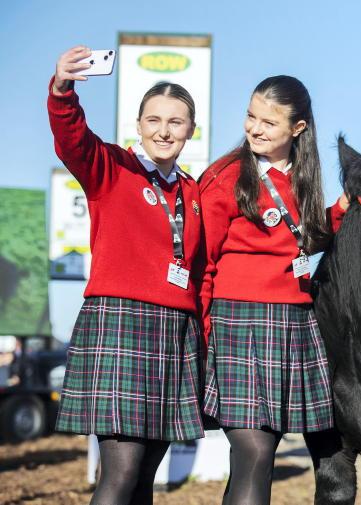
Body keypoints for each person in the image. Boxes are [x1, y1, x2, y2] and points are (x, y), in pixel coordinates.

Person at [49, 46, 204, 505]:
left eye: (175, 122)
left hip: (175, 333)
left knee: (144, 478)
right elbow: (71, 137)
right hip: (121, 324)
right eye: (154, 120)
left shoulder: (192, 192)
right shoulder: (111, 169)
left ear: (190, 130)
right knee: (121, 472)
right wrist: (63, 89)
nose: (164, 130)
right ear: (138, 126)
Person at [199, 75, 345, 505]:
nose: (255, 128)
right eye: (251, 116)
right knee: (255, 451)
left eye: (269, 121)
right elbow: (200, 263)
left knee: (261, 454)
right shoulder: (225, 176)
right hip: (238, 323)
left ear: (298, 129)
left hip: (293, 323)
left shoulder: (302, 177)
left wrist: (338, 213)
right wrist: (203, 336)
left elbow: (299, 240)